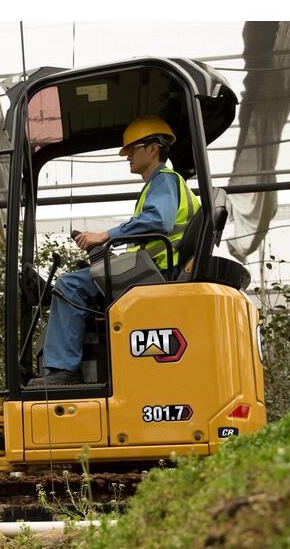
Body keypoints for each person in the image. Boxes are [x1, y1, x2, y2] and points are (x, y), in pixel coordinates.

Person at [27, 116, 200, 387]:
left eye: (132, 149)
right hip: (154, 267)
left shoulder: (164, 181)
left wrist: (105, 235)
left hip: (158, 271)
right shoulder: (162, 184)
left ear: (153, 149)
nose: (127, 156)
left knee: (69, 286)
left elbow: (158, 222)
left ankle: (63, 370)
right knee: (86, 279)